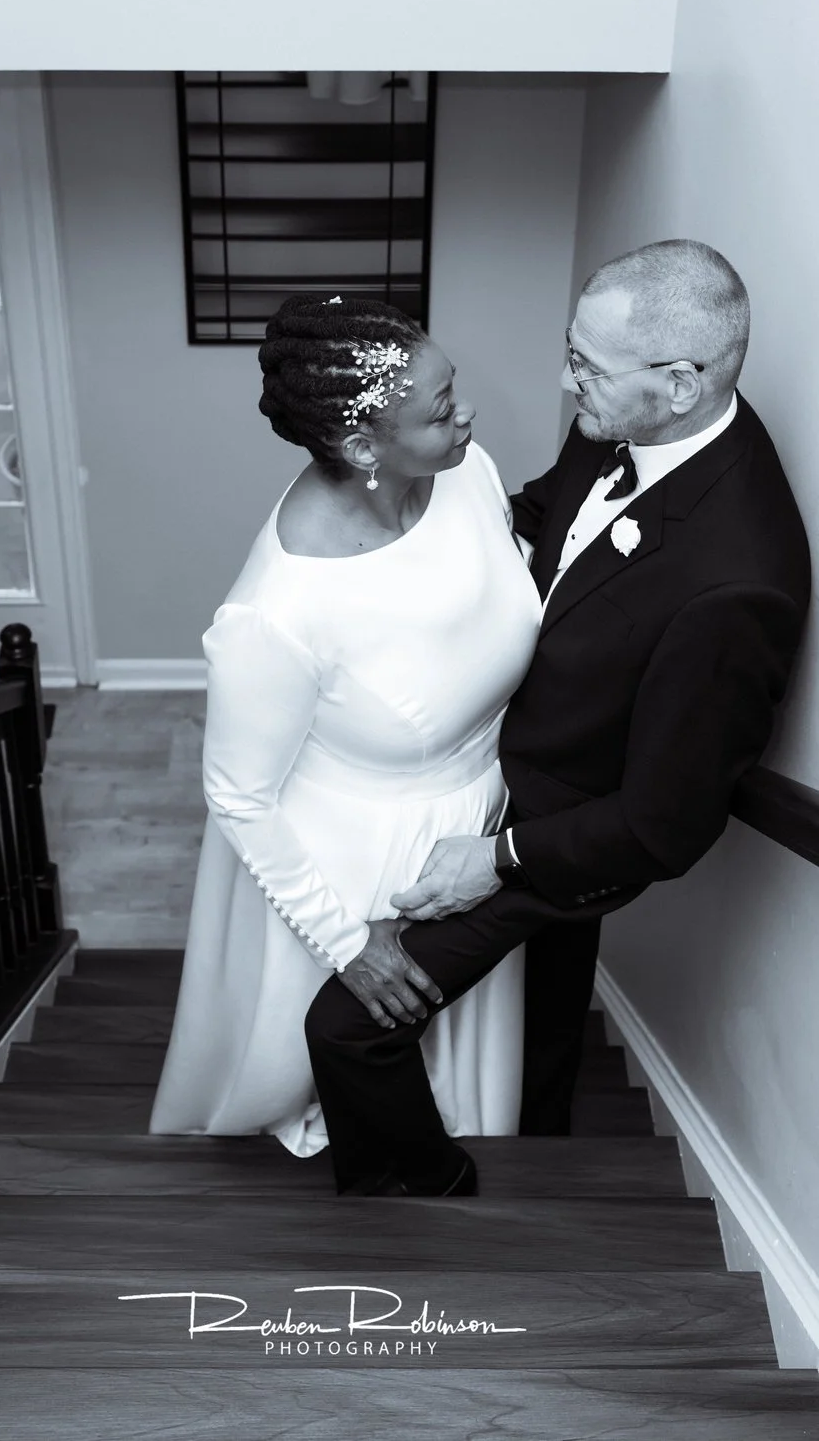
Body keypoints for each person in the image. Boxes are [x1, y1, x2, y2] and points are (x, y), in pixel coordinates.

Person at [304, 240, 811, 1196]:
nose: (565, 381)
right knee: (547, 1005)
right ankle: (540, 1135)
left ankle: (422, 1195)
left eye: (587, 366)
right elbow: (541, 516)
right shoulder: (621, 418)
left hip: (566, 825)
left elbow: (665, 826)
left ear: (682, 382)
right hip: (501, 752)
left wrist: (496, 859)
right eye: (571, 352)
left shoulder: (739, 579)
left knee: (345, 1026)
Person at [150, 295, 542, 1166]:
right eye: (440, 410)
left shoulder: (467, 471)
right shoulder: (278, 611)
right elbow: (239, 797)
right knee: (358, 1062)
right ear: (364, 448)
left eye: (454, 388)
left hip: (478, 831)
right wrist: (348, 942)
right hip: (357, 870)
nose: (467, 414)